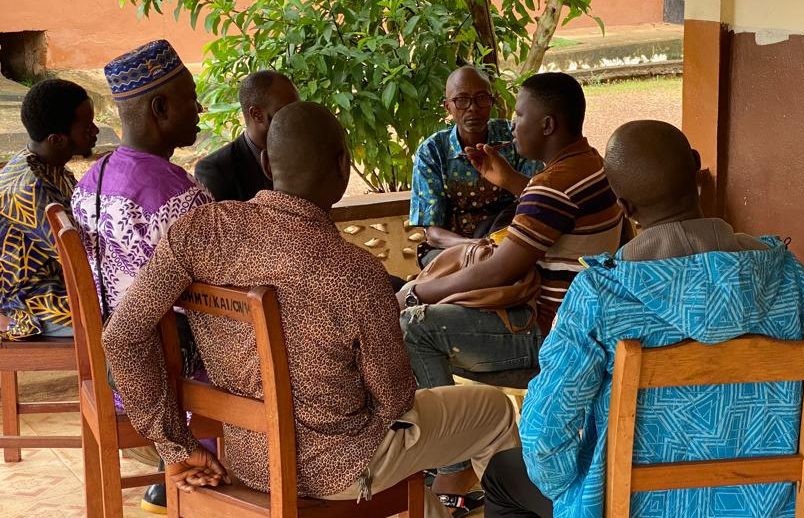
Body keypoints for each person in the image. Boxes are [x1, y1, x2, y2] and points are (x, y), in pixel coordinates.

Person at [100, 101, 519, 518]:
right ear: (343, 167)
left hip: (246, 457)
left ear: (266, 163)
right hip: (342, 469)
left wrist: (175, 446)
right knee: (494, 411)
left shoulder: (200, 231)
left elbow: (121, 336)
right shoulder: (356, 272)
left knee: (414, 470)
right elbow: (394, 397)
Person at [480, 120, 804, 518]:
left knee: (502, 476)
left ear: (624, 206)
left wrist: (578, 492)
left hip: (632, 508)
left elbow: (544, 434)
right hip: (774, 506)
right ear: (696, 170)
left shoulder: (601, 297)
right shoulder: (789, 280)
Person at [398, 71, 623, 504]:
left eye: (520, 115)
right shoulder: (588, 164)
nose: (512, 123)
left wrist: (417, 293)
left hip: (547, 332)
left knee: (414, 326)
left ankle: (453, 468)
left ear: (548, 125)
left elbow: (500, 269)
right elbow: (554, 210)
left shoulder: (554, 185)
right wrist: (514, 183)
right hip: (580, 325)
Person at [68, 39, 214, 514]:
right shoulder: (173, 193)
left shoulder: (93, 178)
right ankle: (234, 468)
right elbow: (220, 292)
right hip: (170, 380)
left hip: (116, 374)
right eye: (191, 99)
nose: (200, 109)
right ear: (160, 108)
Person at [409, 65, 542, 266]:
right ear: (448, 107)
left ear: (492, 101)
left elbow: (538, 198)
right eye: (461, 100)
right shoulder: (432, 151)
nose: (473, 108)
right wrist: (475, 246)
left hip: (509, 241)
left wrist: (508, 178)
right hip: (453, 249)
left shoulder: (513, 137)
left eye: (481, 98)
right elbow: (434, 234)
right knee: (442, 264)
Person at [0, 79, 98, 340]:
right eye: (87, 128)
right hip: (31, 302)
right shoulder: (29, 189)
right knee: (127, 319)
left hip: (63, 284)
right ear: (57, 139)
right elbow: (79, 257)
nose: (96, 131)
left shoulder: (53, 168)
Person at [195, 70, 299, 201]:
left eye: (297, 108)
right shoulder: (216, 170)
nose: (296, 117)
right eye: (285, 111)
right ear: (256, 114)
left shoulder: (302, 152)